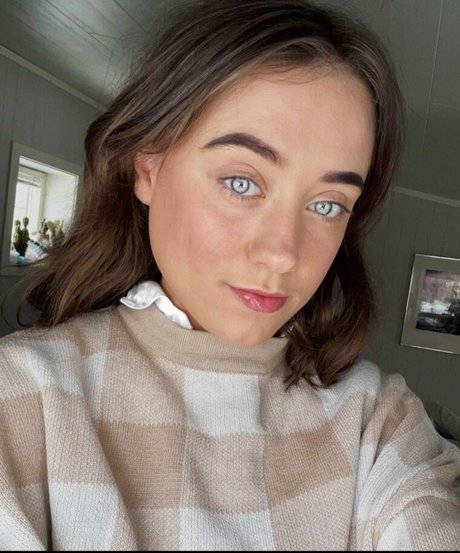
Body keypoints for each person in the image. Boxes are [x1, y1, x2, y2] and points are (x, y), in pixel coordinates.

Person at [0, 0, 459, 550]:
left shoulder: (379, 422)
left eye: (327, 204)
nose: (282, 253)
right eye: (242, 182)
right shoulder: (24, 397)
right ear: (148, 168)